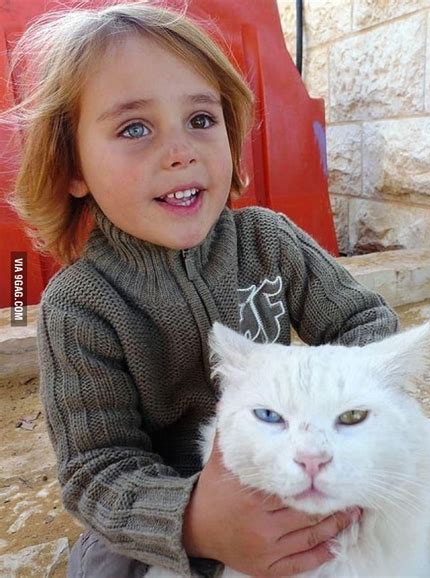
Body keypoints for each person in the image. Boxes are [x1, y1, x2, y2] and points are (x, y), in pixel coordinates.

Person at [4, 2, 399, 577]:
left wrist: (324, 414)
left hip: (294, 462)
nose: (182, 151)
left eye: (201, 120)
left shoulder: (268, 239)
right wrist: (194, 521)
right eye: (134, 128)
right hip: (167, 512)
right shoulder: (79, 305)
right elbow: (97, 471)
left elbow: (366, 324)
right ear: (74, 168)